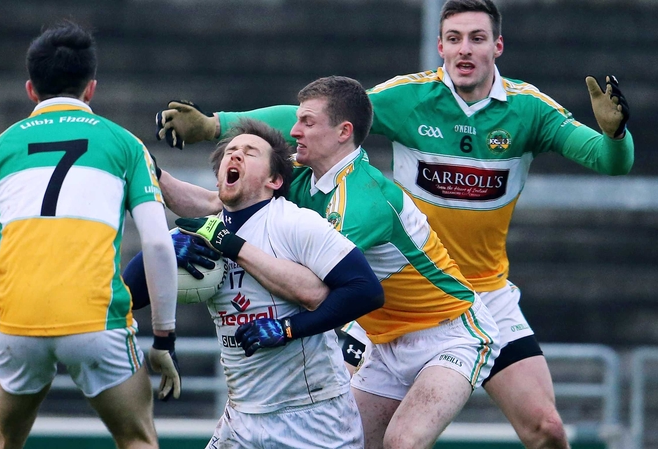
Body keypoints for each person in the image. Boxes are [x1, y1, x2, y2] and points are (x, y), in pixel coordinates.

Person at [154, 1, 633, 447]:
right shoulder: (403, 103)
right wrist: (209, 133)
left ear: (497, 46)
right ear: (440, 46)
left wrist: (616, 137)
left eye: (477, 38)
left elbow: (608, 161)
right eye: (454, 38)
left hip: (468, 304)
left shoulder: (525, 111)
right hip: (380, 323)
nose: (465, 49)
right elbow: (310, 122)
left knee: (542, 429)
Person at [154, 76, 500, 449]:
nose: (294, 131)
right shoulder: (306, 175)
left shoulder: (361, 198)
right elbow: (215, 205)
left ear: (343, 132)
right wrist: (152, 175)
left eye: (307, 123)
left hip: (448, 331)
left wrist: (227, 246)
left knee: (403, 442)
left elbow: (314, 290)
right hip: (380, 338)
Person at [0, 21, 180, 449]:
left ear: (31, 89)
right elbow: (158, 243)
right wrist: (165, 338)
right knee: (137, 440)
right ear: (91, 89)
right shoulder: (126, 145)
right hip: (96, 319)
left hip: (17, 319)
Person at [123, 118, 385, 448]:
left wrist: (289, 328)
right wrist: (163, 251)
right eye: (230, 152)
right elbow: (128, 295)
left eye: (249, 153)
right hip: (241, 416)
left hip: (312, 414)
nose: (235, 157)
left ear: (275, 180)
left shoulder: (295, 224)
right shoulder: (199, 232)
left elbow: (367, 291)